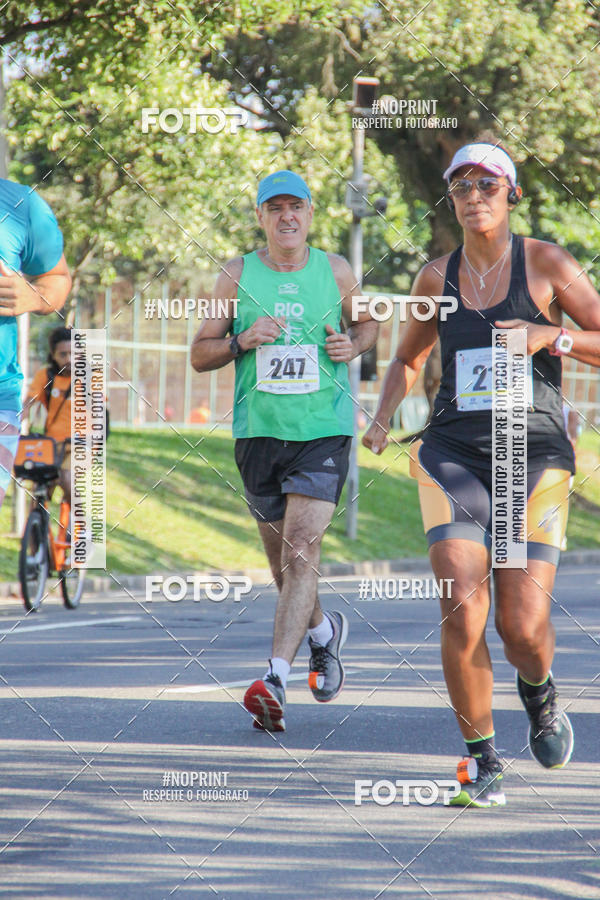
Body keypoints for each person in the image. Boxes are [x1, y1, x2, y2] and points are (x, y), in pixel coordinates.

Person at [363, 142, 600, 806]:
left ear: (511, 193)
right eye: (461, 185)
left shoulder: (547, 263)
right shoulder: (434, 278)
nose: (473, 194)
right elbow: (407, 357)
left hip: (536, 455)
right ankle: (482, 763)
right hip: (453, 454)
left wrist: (550, 337)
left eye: (487, 184)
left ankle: (539, 690)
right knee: (463, 608)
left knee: (521, 627)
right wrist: (383, 417)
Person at [191, 169, 377, 731]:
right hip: (258, 436)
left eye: (295, 207)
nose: (287, 217)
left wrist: (354, 344)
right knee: (285, 565)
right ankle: (323, 634)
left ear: (311, 213)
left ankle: (274, 678)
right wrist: (240, 341)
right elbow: (199, 354)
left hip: (322, 430)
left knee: (300, 550)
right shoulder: (236, 274)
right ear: (260, 218)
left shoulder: (336, 270)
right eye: (275, 209)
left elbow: (370, 327)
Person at [0, 177, 71, 511]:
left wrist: (33, 295)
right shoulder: (46, 376)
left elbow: (57, 278)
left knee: (72, 485)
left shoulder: (20, 204)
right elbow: (34, 399)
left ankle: (76, 544)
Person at [23, 326, 72, 505]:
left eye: (73, 353)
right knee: (40, 488)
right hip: (51, 444)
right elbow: (29, 403)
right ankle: (36, 529)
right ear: (53, 354)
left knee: (67, 477)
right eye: (63, 354)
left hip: (80, 444)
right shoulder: (46, 375)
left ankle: (83, 527)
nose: (69, 359)